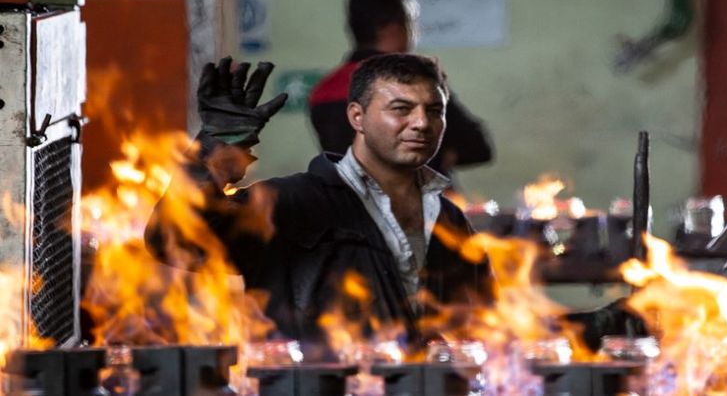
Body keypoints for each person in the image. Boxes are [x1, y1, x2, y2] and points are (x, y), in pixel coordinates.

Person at [146, 54, 491, 358]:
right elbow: (172, 239)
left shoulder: (448, 218)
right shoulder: (293, 203)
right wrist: (213, 152)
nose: (421, 123)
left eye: (434, 111)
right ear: (357, 117)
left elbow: (484, 322)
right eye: (401, 108)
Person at [309, 0, 493, 179]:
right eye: (412, 20)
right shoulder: (416, 85)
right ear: (394, 26)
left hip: (347, 206)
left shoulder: (322, 91)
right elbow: (478, 148)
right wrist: (441, 155)